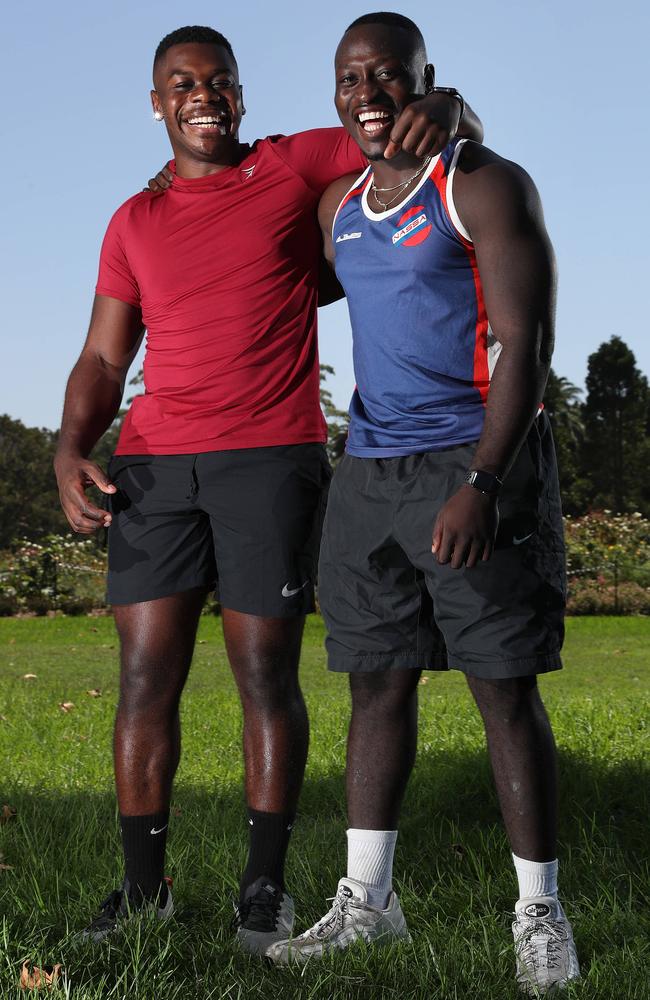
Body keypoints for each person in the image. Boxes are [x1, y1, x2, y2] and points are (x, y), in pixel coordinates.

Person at [53, 24, 481, 954]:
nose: (203, 95)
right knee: (143, 678)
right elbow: (101, 352)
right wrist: (70, 444)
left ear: (241, 95)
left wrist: (446, 109)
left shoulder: (291, 166)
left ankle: (264, 892)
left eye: (219, 82)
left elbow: (395, 128)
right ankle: (142, 891)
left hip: (269, 458)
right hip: (156, 465)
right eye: (182, 83)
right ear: (157, 102)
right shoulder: (133, 220)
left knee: (265, 679)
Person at [267, 12, 580, 995]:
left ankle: (539, 910)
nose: (368, 92)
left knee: (500, 687)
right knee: (375, 682)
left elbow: (525, 344)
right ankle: (369, 902)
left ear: (424, 80)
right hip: (368, 469)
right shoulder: (335, 208)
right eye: (350, 77)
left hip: (473, 459)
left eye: (388, 75)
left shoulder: (481, 182)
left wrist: (484, 482)